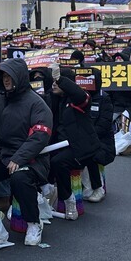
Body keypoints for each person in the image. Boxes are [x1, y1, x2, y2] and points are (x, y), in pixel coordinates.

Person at [0, 58, 52, 246]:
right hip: (2, 153)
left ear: (19, 76)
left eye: (9, 76)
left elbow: (40, 136)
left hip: (31, 157)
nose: (6, 80)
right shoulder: (1, 97)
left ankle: (34, 222)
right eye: (3, 76)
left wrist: (19, 158)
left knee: (20, 178)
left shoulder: (37, 103)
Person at [50, 65, 114, 212]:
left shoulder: (79, 99)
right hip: (61, 145)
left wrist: (61, 79)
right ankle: (49, 195)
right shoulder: (56, 99)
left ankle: (69, 198)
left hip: (83, 147)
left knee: (58, 162)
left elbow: (81, 96)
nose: (53, 84)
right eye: (52, 81)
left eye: (57, 82)